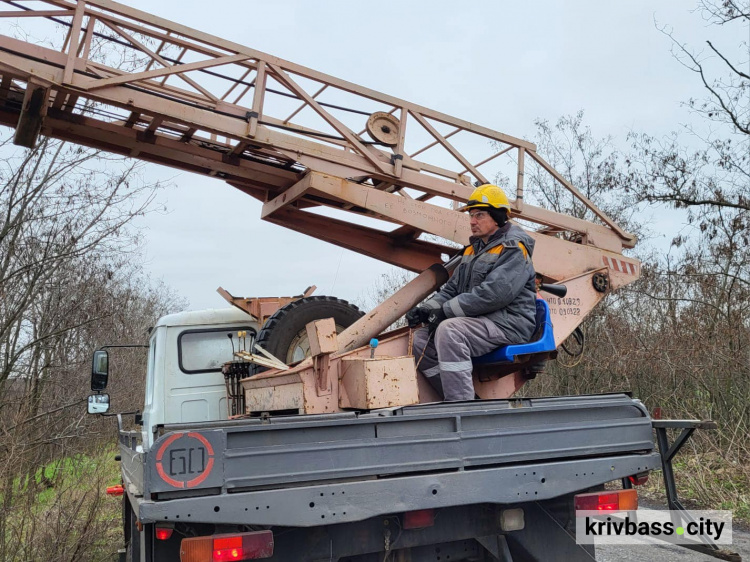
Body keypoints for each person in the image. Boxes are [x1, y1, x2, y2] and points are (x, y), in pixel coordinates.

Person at [406, 184, 537, 401]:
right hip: (482, 321)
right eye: (471, 215)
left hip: (509, 324)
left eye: (479, 215)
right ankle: (464, 399)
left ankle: (462, 408)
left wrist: (445, 312)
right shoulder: (473, 250)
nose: (472, 221)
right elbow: (452, 289)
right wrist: (427, 309)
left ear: (497, 217)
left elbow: (494, 294)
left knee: (450, 331)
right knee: (419, 340)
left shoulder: (514, 248)